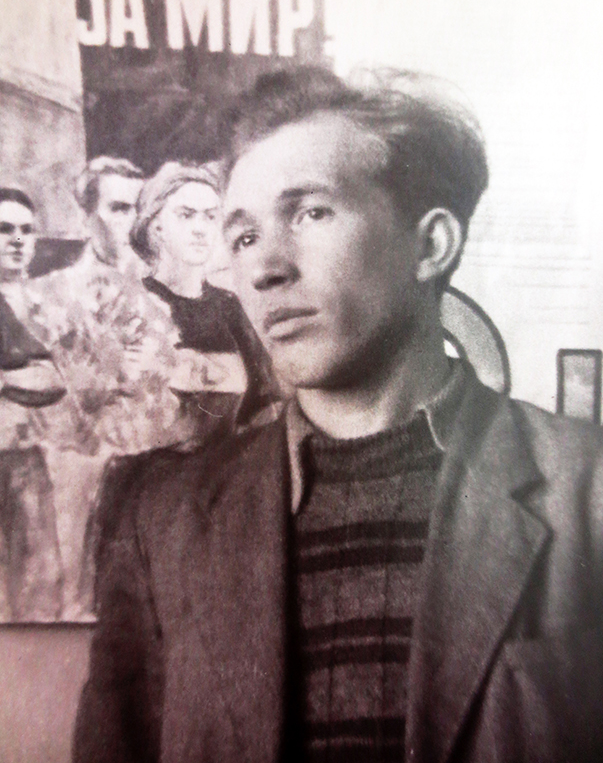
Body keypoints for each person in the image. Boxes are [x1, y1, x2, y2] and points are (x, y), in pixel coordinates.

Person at [74, 67, 603, 762]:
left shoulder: (588, 489)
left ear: (430, 246)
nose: (264, 268)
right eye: (242, 237)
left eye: (309, 213)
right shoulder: (162, 519)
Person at [130, 160, 277, 432]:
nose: (200, 229)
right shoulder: (133, 301)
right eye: (186, 215)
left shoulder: (229, 306)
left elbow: (264, 403)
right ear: (156, 226)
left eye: (210, 217)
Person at [0, 188, 65, 621]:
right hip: (7, 452)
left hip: (36, 457)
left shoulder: (51, 302)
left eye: (26, 229)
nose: (17, 239)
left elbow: (66, 377)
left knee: (42, 582)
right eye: (5, 229)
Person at [74, 156, 145, 275]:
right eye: (119, 209)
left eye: (141, 210)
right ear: (85, 220)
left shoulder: (162, 281)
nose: (135, 222)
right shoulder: (60, 284)